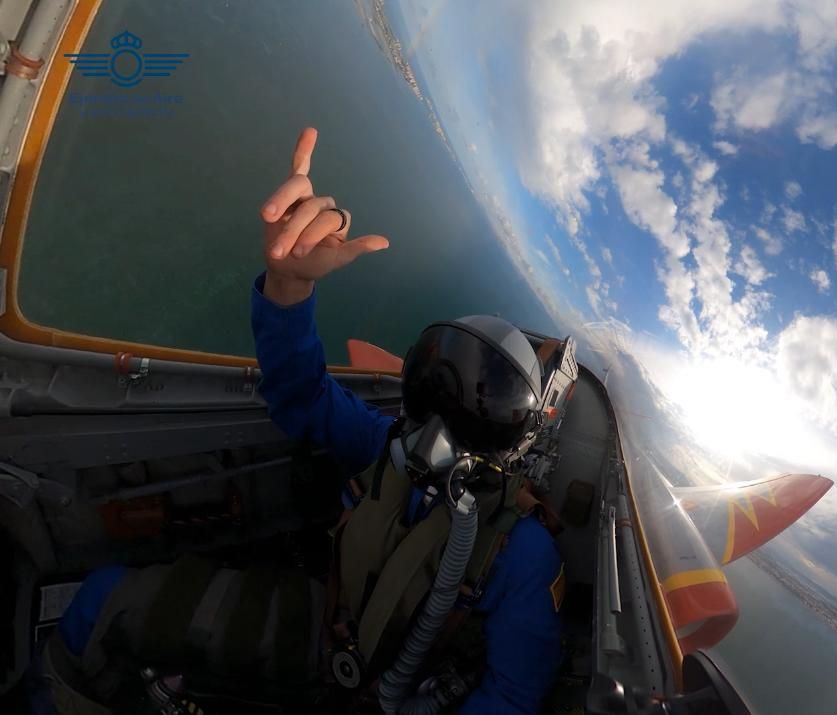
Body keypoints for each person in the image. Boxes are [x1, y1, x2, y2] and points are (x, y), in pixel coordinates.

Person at [34, 128, 564, 714]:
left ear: (513, 439)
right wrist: (290, 285)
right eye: (435, 391)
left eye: (477, 413)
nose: (440, 429)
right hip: (321, 633)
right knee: (103, 604)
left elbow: (511, 695)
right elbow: (301, 393)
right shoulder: (386, 450)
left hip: (396, 692)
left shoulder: (519, 547)